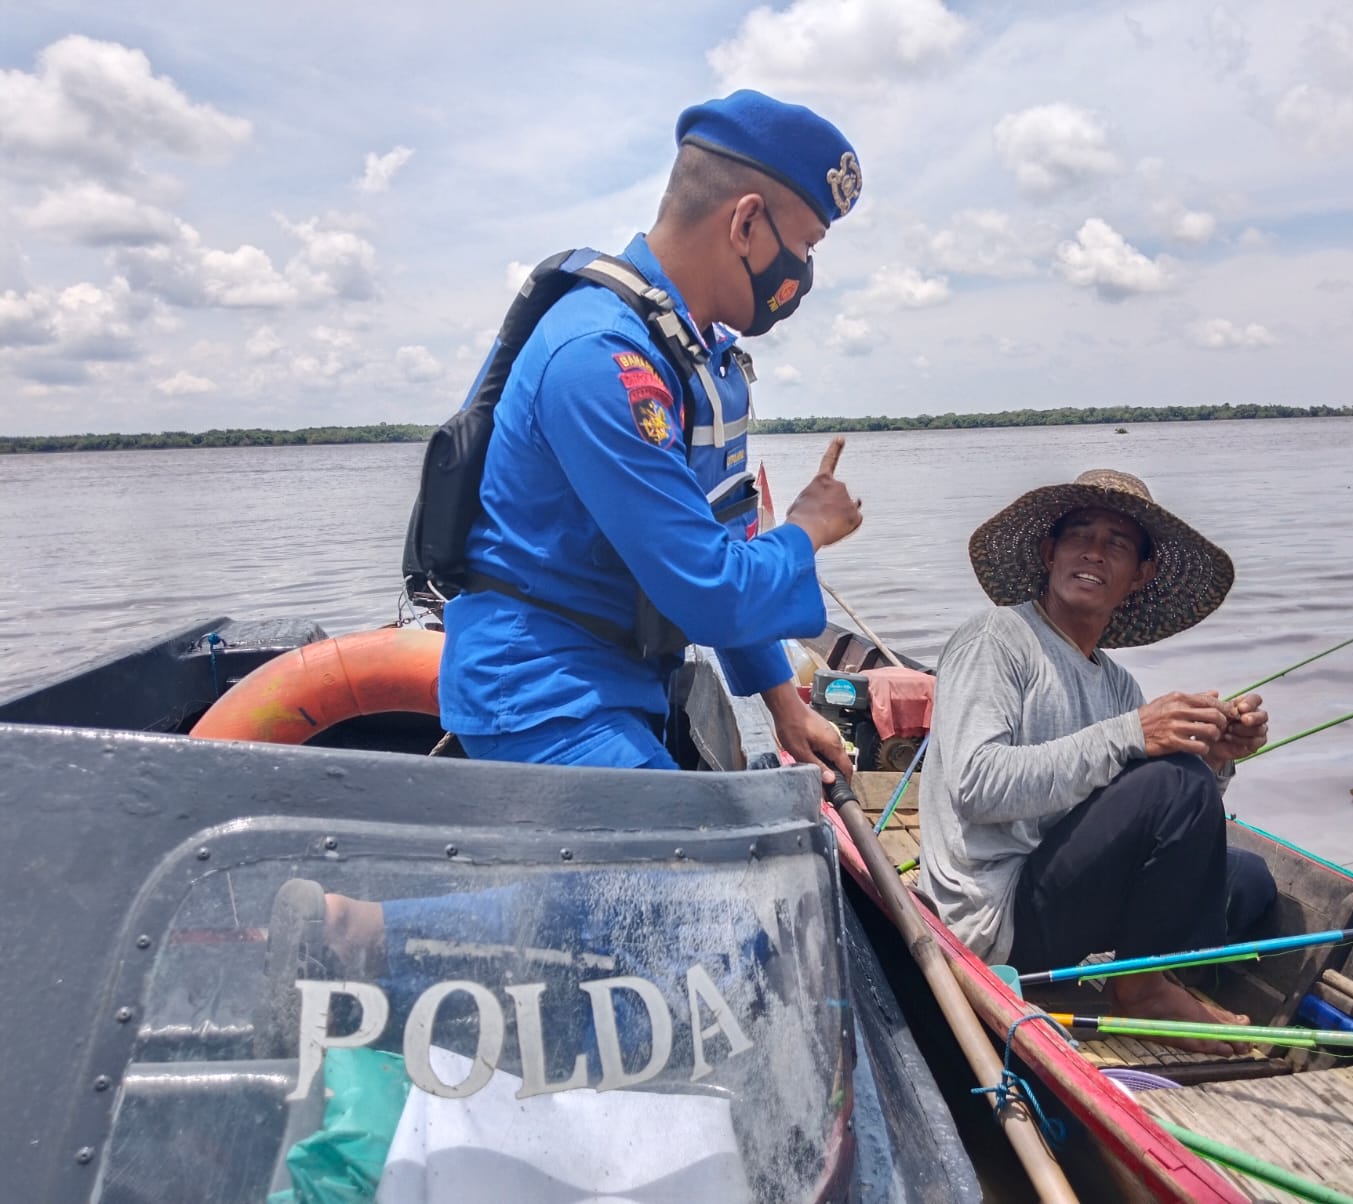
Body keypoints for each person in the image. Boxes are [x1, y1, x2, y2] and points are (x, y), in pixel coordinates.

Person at [438, 89, 866, 776]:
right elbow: (712, 592)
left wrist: (786, 706)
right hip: (541, 692)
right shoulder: (601, 360)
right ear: (747, 223)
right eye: (806, 247)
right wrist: (808, 529)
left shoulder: (694, 358)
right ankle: (357, 895)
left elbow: (718, 539)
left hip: (621, 676)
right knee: (687, 881)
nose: (805, 276)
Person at [918, 469, 1277, 1046]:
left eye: (1118, 543)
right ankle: (1144, 991)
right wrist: (1136, 735)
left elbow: (1164, 824)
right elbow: (977, 788)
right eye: (1079, 535)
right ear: (1048, 551)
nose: (1093, 553)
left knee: (1251, 881)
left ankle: (1154, 973)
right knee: (1176, 782)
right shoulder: (998, 639)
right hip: (998, 916)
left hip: (1062, 890)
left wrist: (1217, 758)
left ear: (1141, 575)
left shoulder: (1115, 683)